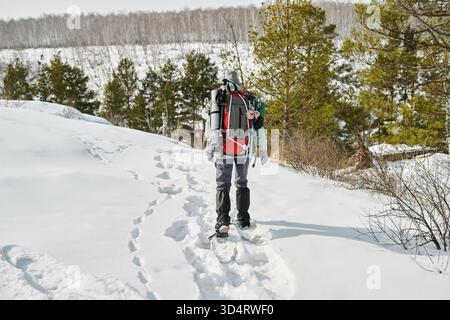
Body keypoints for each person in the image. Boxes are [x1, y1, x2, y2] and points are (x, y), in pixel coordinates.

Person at [203, 71, 268, 237]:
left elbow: (210, 125)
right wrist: (262, 149)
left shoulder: (218, 99)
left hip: (222, 149)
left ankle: (223, 220)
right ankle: (243, 217)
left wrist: (208, 148)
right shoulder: (249, 100)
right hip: (243, 149)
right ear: (238, 83)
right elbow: (257, 126)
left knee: (223, 184)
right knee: (242, 182)